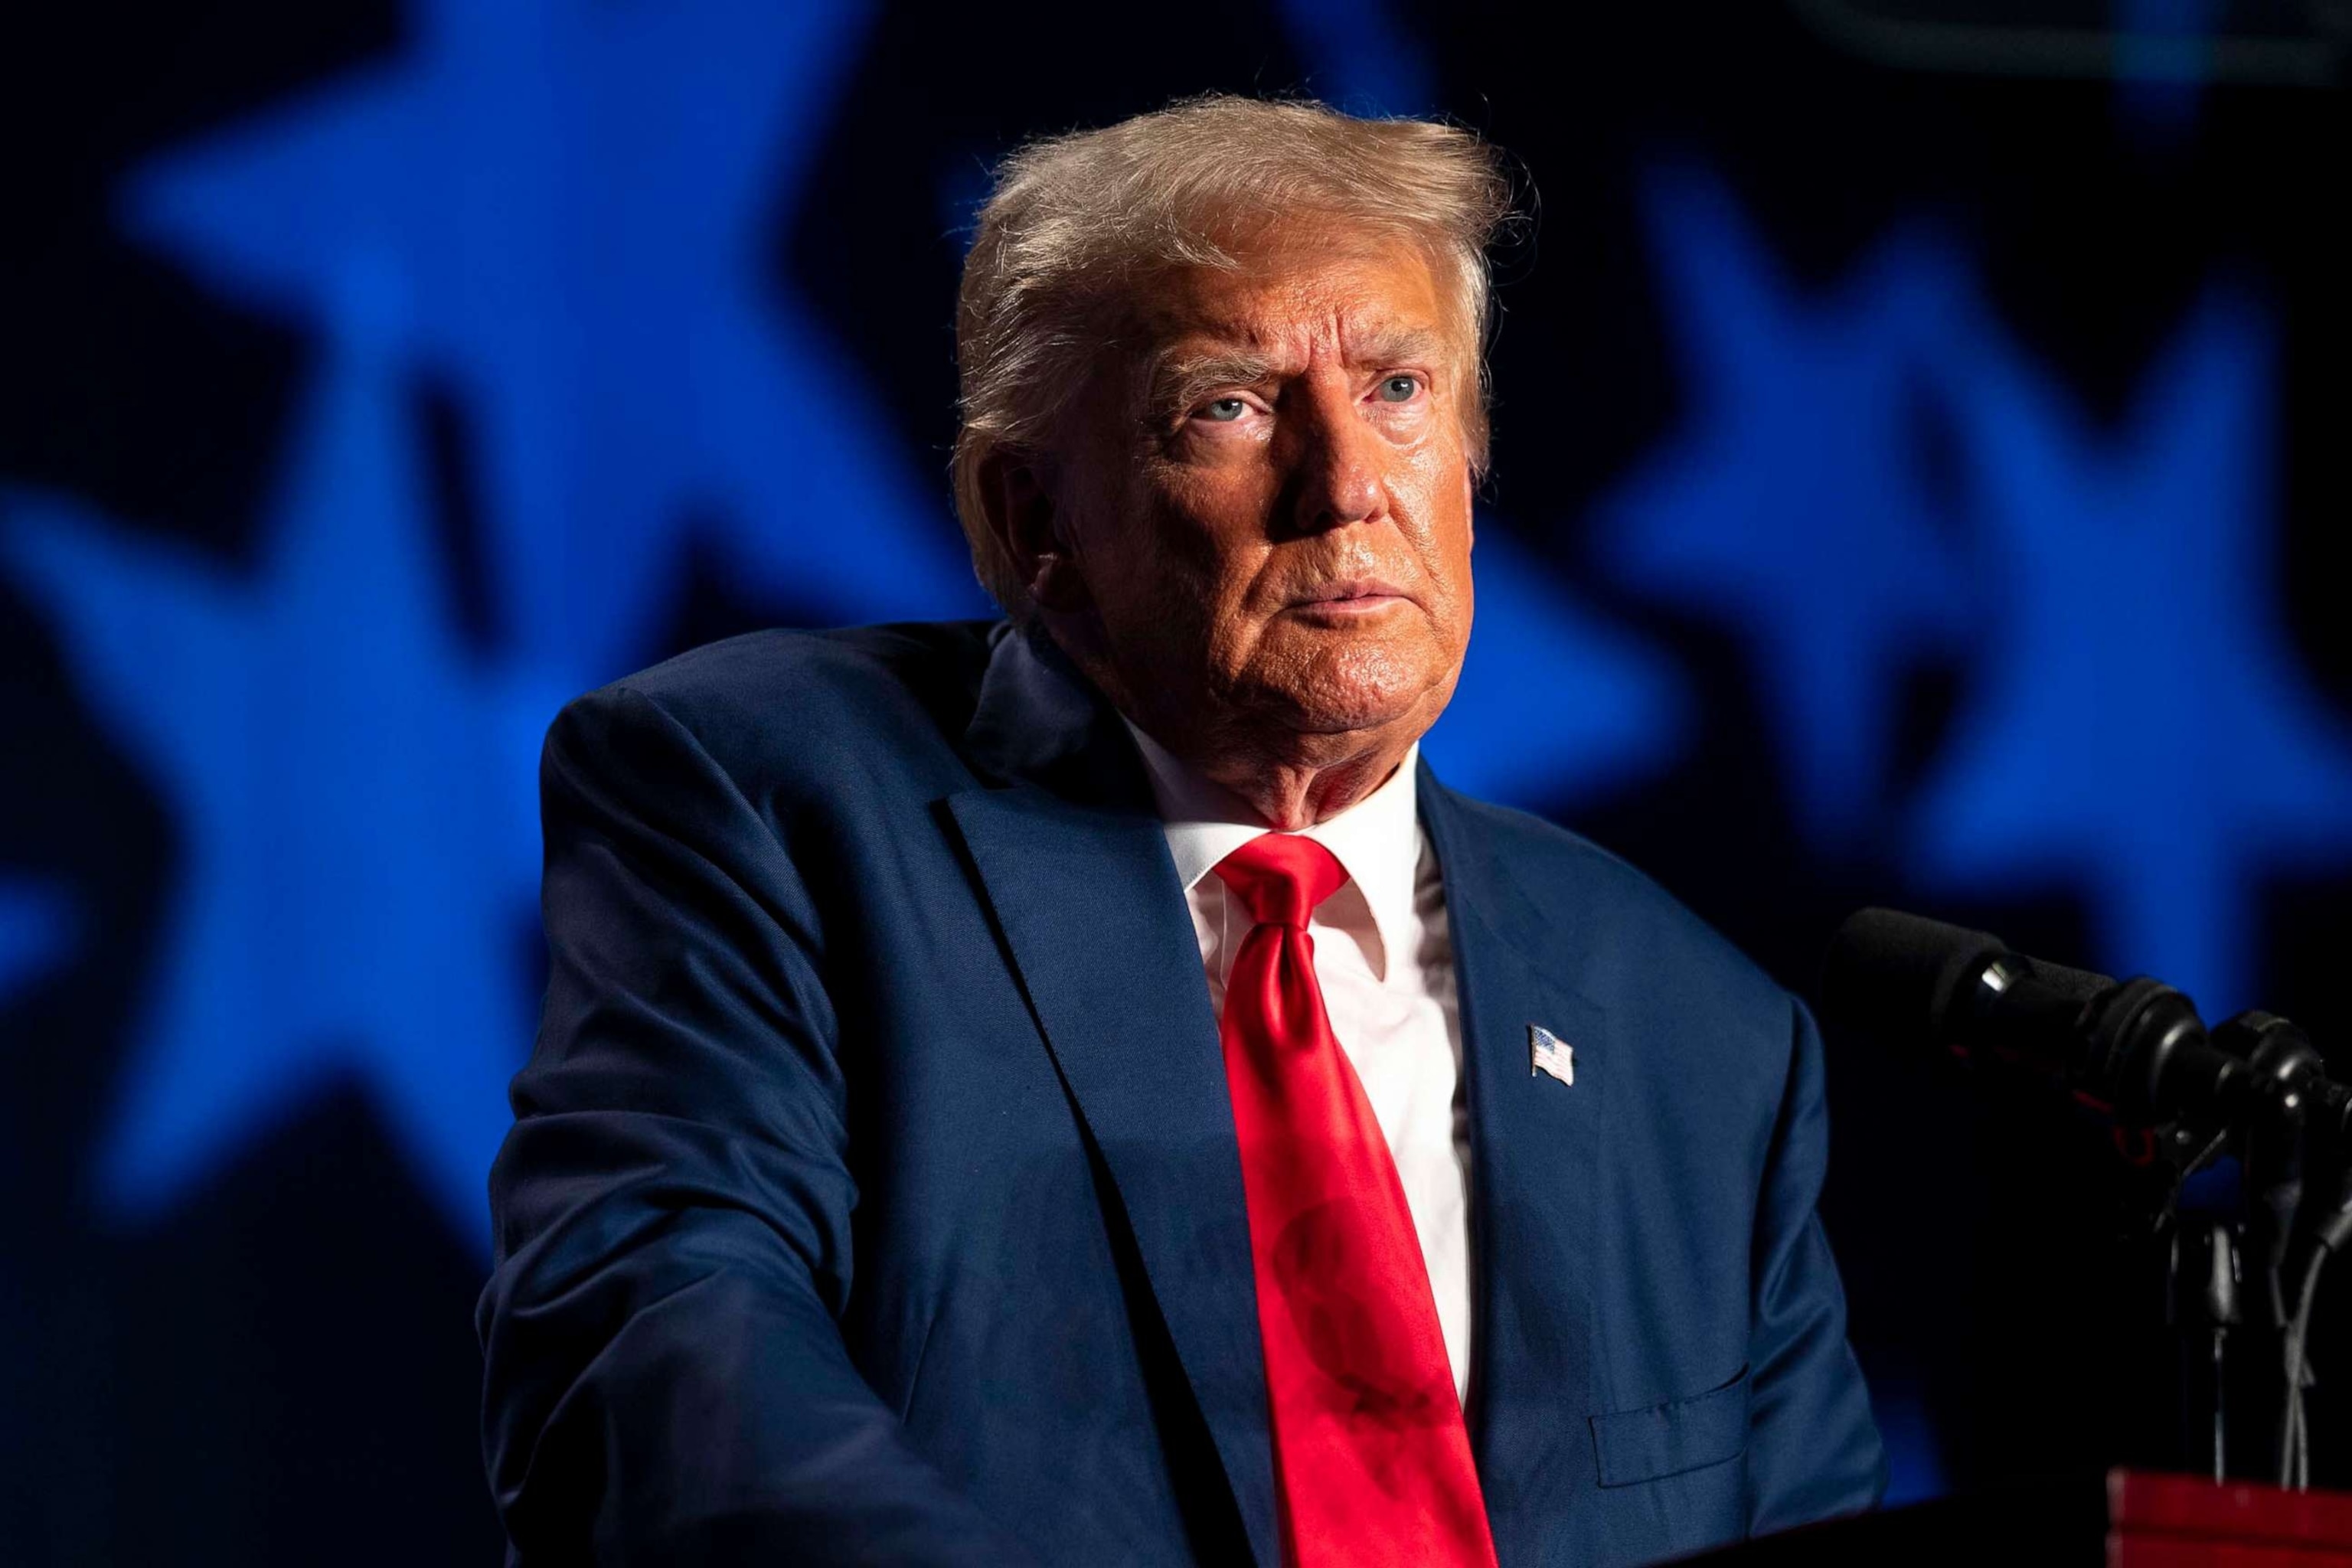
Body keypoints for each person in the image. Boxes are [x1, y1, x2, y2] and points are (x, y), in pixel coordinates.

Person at [476, 94, 1884, 1566]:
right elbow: (653, 1359)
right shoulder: (772, 804)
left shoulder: (1699, 1034)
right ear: (1037, 518)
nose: (1346, 485)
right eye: (1231, 403)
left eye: (1399, 389)